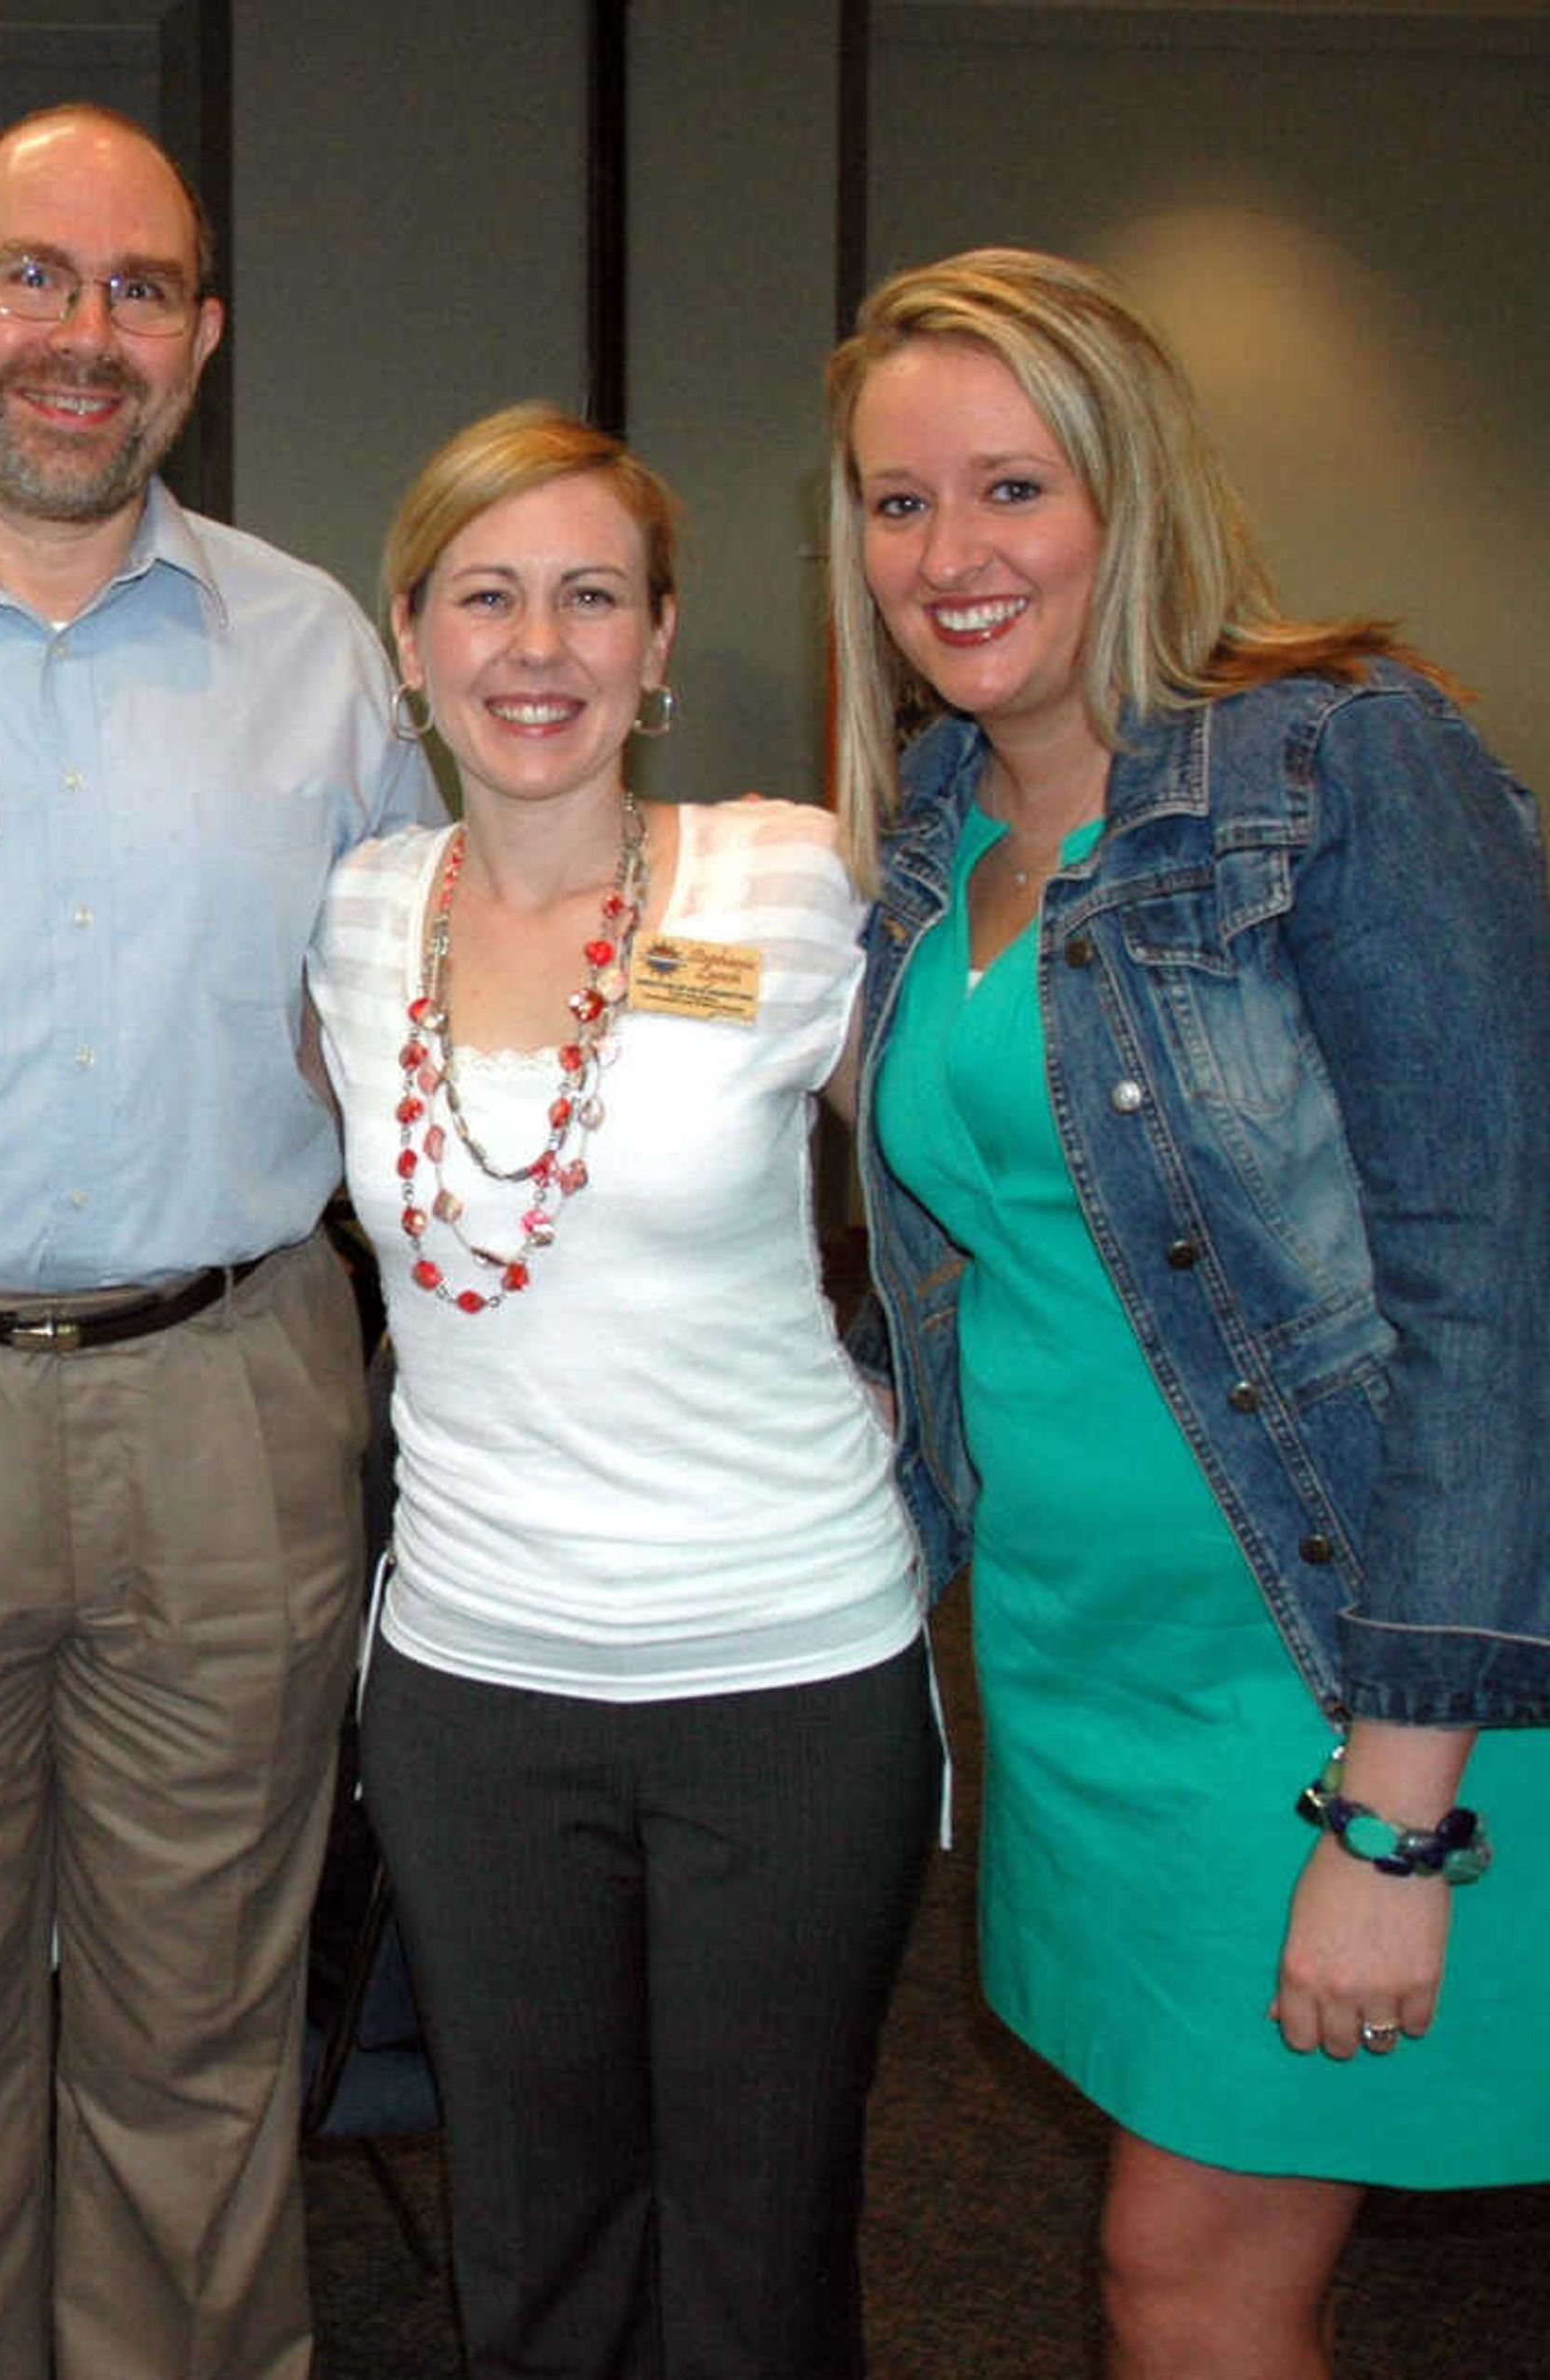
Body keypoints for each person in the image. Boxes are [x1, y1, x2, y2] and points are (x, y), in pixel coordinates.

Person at [829, 247, 1550, 2378]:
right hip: (1075, 1680)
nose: (951, 556)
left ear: (1130, 490)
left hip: (1327, 1675)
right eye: (896, 504)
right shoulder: (935, 832)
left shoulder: (1343, 763)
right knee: (1182, 2261)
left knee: (1189, 2273)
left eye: (1012, 488)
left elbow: (1499, 1290)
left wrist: (1395, 1811)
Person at [0, 103, 433, 2379]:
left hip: (233, 1390)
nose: (85, 333)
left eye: (140, 289)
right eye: (33, 277)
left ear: (205, 337)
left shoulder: (322, 652)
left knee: (200, 2034)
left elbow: (426, 1021)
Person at [305, 404, 936, 2376]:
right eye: (485, 595)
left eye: (594, 596)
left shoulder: (791, 879)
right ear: (409, 642)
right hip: (481, 1690)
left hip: (788, 1672)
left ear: (661, 646)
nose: (538, 645)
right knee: (534, 2238)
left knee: (760, 2246)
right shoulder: (354, 914)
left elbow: (983, 1173)